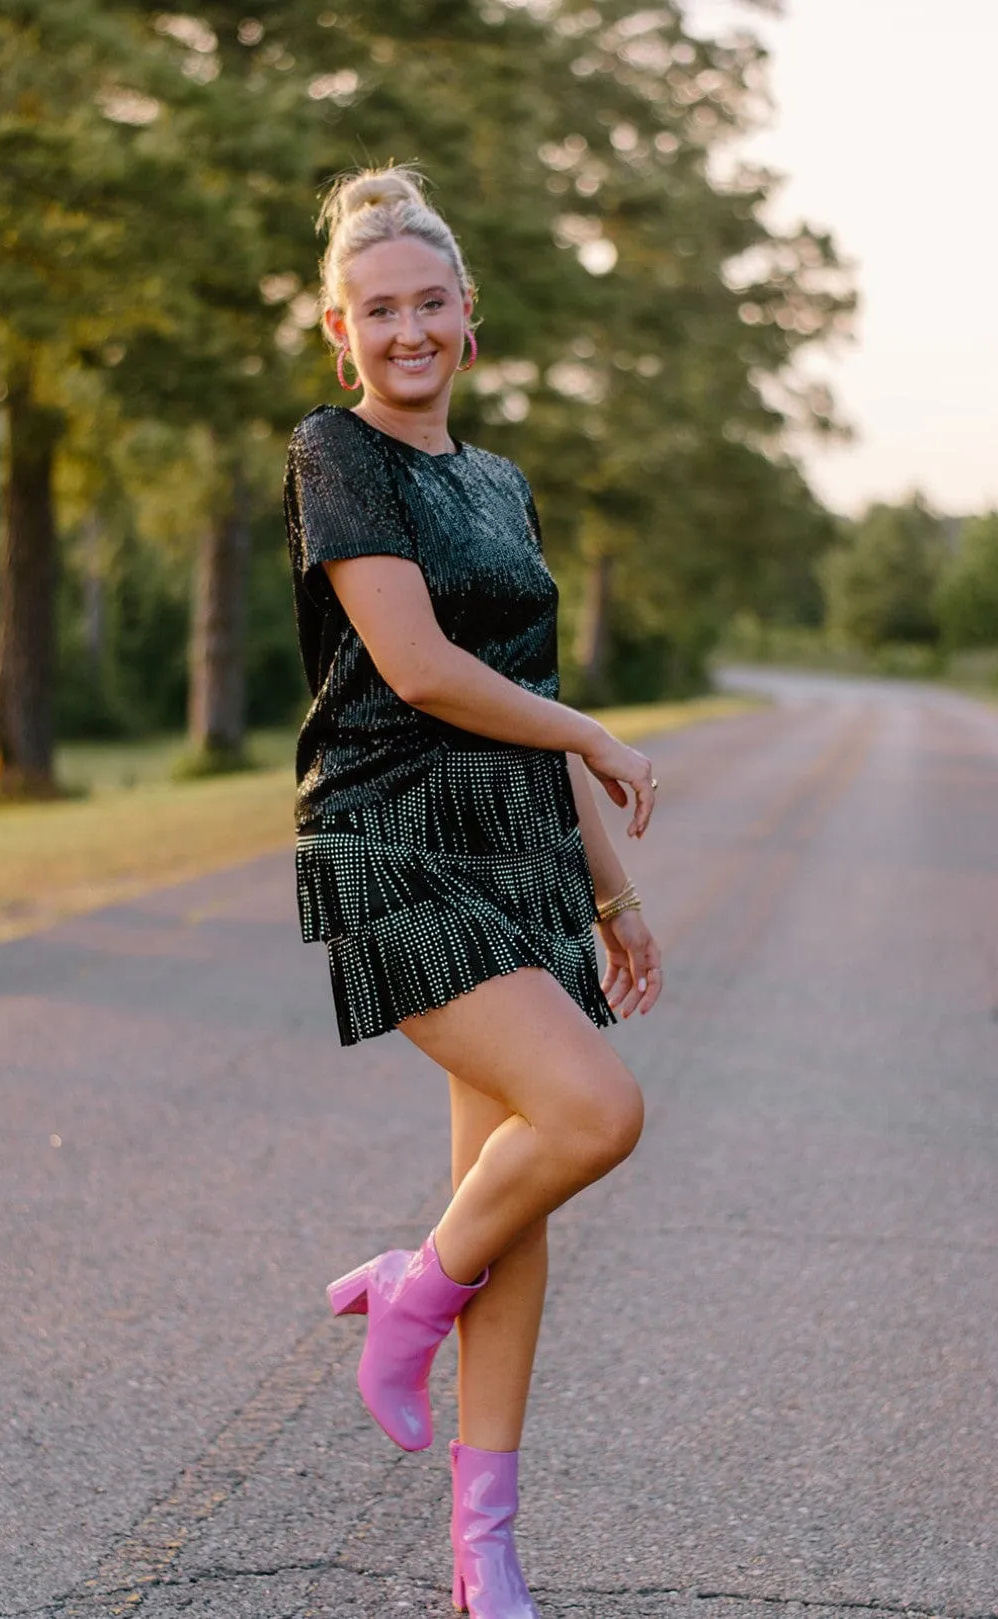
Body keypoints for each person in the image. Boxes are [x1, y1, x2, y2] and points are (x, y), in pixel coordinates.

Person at [283, 164, 663, 1619]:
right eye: (379, 308)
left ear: (470, 319)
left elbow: (523, 692)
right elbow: (426, 671)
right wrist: (597, 736)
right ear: (343, 329)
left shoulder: (499, 482)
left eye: (430, 301)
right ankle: (409, 1287)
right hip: (391, 842)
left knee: (514, 1208)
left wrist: (614, 895)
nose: (408, 328)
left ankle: (483, 1552)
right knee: (593, 1113)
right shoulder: (339, 452)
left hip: (518, 857)